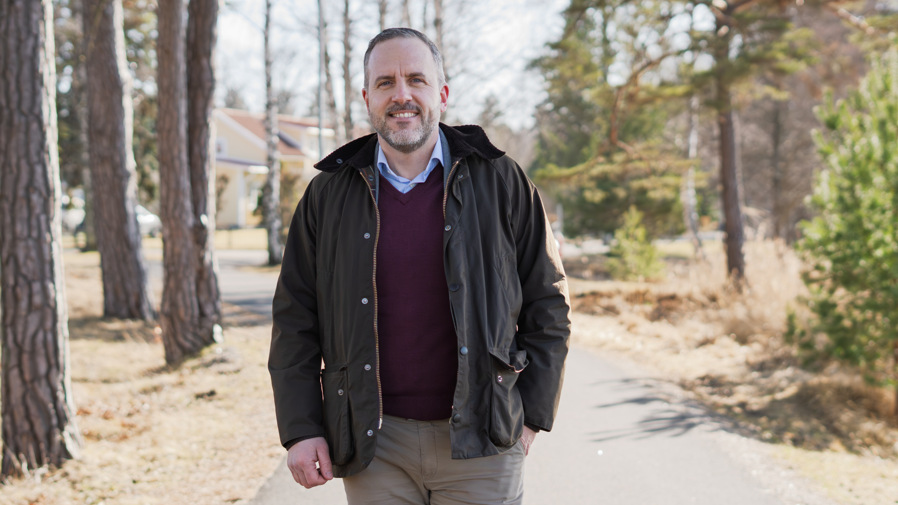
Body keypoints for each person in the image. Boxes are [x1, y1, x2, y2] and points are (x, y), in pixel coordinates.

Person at [269, 27, 571, 505]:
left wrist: (530, 415)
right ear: (368, 97)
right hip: (374, 445)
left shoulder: (502, 181)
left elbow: (548, 302)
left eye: (416, 79)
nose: (402, 94)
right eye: (386, 82)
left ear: (443, 95)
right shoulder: (327, 196)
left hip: (483, 443)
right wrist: (301, 429)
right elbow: (295, 320)